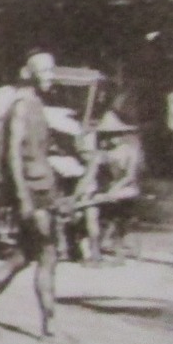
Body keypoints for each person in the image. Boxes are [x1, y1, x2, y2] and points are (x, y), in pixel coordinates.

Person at [0, 49, 62, 338]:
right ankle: (50, 327)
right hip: (33, 192)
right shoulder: (21, 106)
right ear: (27, 73)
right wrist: (23, 200)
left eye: (52, 70)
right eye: (44, 71)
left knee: (23, 255)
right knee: (47, 254)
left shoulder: (36, 105)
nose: (50, 76)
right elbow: (14, 157)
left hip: (42, 189)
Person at [70, 111, 144, 262]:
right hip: (107, 191)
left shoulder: (131, 151)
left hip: (127, 189)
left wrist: (113, 191)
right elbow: (89, 176)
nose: (111, 138)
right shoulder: (101, 154)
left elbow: (130, 176)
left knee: (105, 202)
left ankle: (112, 244)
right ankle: (94, 251)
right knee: (90, 208)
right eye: (107, 135)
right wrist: (76, 196)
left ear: (121, 134)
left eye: (115, 134)